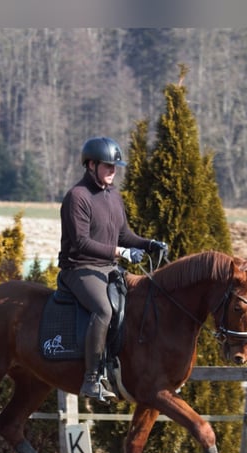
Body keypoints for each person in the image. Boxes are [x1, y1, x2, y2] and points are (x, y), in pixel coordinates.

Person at [58, 136, 167, 403]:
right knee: (104, 309)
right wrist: (120, 252)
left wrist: (149, 243)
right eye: (108, 166)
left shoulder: (113, 196)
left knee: (145, 298)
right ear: (91, 165)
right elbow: (82, 242)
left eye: (115, 166)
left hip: (108, 268)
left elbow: (124, 234)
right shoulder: (77, 197)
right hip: (79, 268)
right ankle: (91, 379)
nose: (113, 171)